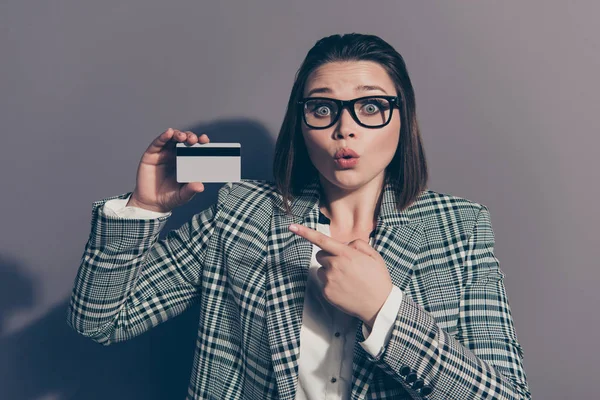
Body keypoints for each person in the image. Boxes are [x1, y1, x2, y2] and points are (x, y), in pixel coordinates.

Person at [66, 33, 531, 399]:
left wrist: (383, 310)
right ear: (301, 122)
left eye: (371, 106)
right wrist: (143, 210)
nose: (344, 127)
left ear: (402, 119)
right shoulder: (240, 211)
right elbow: (102, 320)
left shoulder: (461, 227)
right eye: (322, 108)